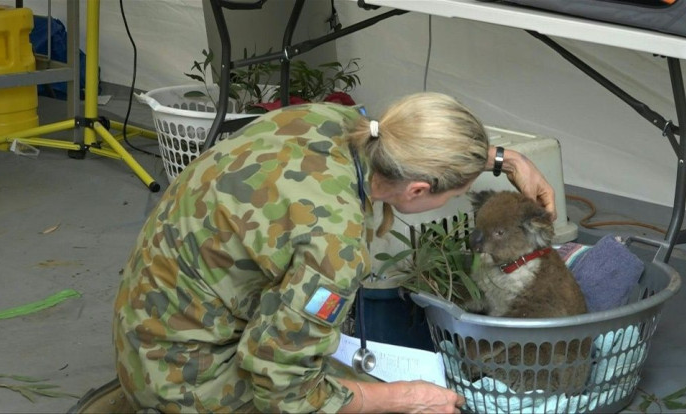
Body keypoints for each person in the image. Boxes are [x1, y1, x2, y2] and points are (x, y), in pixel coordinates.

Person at [112, 92, 556, 413]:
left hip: (148, 325)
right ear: (418, 190)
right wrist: (405, 398)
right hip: (180, 381)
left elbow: (410, 142)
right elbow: (286, 396)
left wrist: (507, 160)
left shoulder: (328, 119)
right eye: (454, 193)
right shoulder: (334, 246)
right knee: (416, 403)